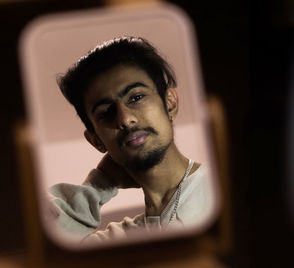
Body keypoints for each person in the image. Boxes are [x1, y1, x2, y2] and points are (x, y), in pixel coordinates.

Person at [47, 36, 213, 242]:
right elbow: (43, 242)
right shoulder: (124, 241)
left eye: (136, 97)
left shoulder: (219, 186)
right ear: (95, 140)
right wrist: (99, 183)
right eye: (106, 111)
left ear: (170, 104)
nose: (125, 119)